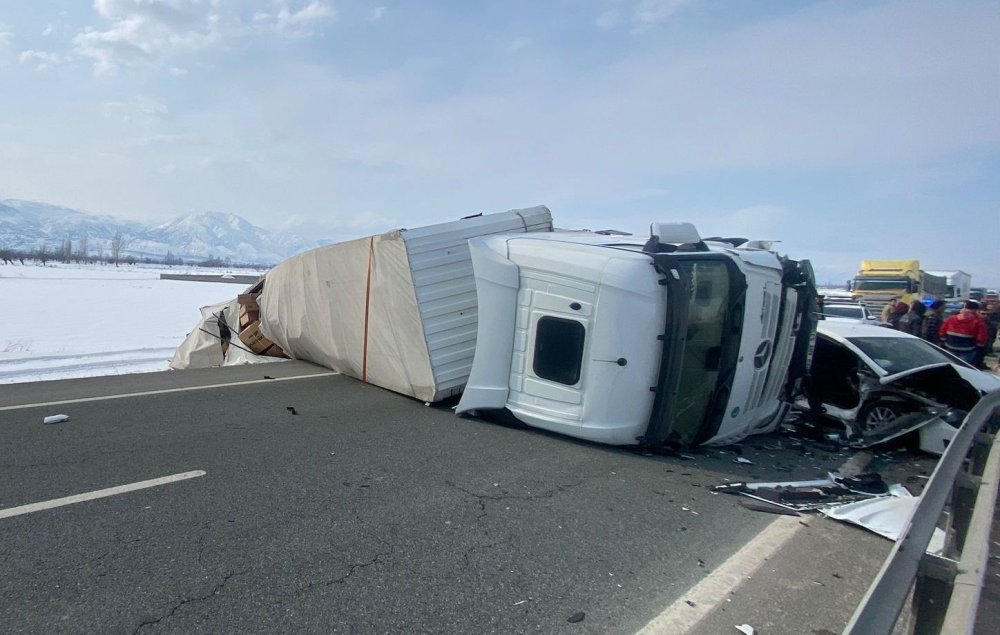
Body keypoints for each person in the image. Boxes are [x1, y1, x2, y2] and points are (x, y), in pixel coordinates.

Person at [939, 300, 989, 365]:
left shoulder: (952, 318)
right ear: (977, 310)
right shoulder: (978, 322)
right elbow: (981, 339)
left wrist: (944, 341)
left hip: (950, 347)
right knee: (962, 367)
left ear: (965, 308)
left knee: (950, 366)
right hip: (967, 350)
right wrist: (979, 350)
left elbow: (942, 331)